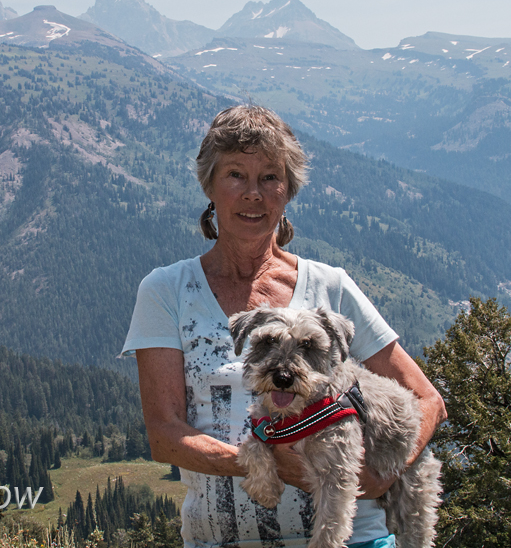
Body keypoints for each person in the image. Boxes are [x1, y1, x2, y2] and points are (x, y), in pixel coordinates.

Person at [121, 105, 446, 548]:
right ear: (210, 186)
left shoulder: (331, 287)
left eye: (270, 177)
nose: (253, 193)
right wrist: (261, 461)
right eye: (236, 174)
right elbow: (164, 435)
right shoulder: (167, 291)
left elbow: (428, 400)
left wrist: (381, 471)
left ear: (288, 190)